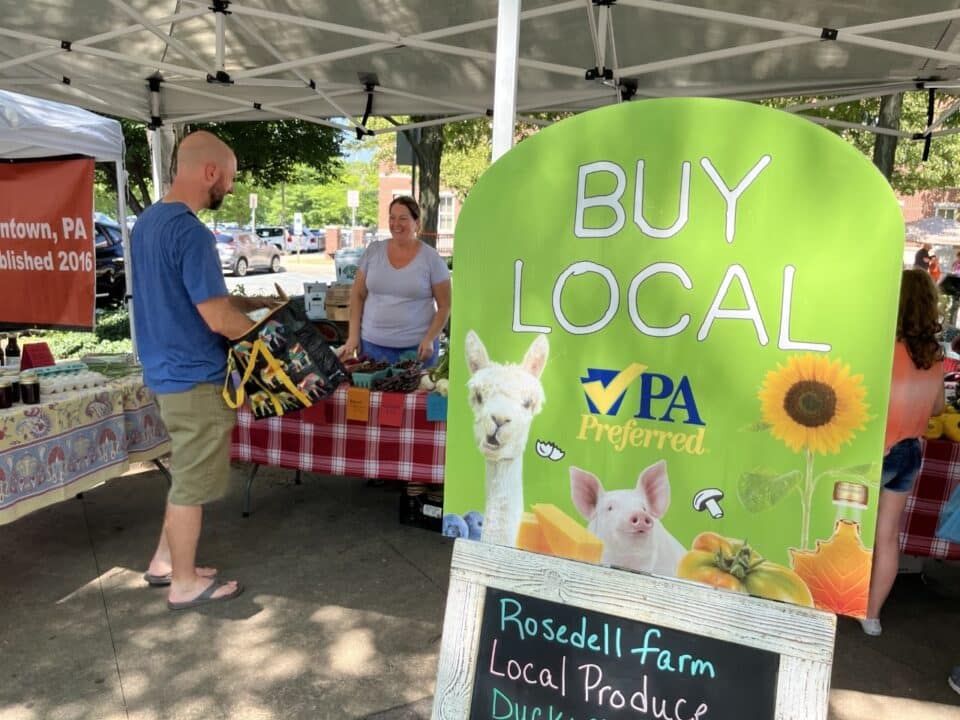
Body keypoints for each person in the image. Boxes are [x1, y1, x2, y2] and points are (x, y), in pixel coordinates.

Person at [133, 131, 276, 610]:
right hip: (195, 375)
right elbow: (216, 318)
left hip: (164, 370)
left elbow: (193, 299)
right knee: (193, 484)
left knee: (184, 475)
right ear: (211, 172)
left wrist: (253, 302)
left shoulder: (148, 223)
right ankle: (186, 583)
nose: (231, 189)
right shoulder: (192, 232)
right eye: (230, 179)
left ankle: (164, 563)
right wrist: (266, 340)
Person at [861, 268, 945, 636]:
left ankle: (835, 601)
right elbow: (940, 407)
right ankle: (872, 616)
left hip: (874, 449)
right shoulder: (934, 354)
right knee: (887, 536)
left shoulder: (882, 349)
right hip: (910, 450)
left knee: (848, 529)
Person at [338, 196, 451, 366]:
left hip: (416, 350)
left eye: (403, 218)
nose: (396, 224)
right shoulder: (373, 252)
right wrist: (353, 336)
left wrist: (430, 338)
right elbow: (357, 295)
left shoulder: (431, 259)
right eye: (392, 217)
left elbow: (444, 306)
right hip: (372, 347)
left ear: (417, 223)